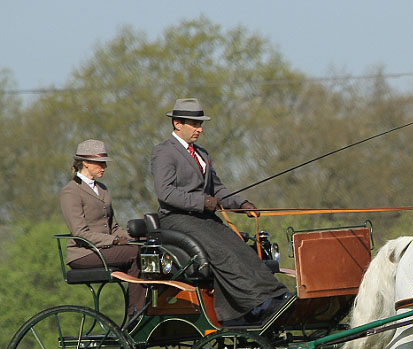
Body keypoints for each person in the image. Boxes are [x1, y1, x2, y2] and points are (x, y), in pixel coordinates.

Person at [150, 98, 291, 326]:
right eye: (194, 124)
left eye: (200, 124)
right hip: (176, 220)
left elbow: (218, 190)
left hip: (203, 218)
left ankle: (271, 297)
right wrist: (202, 201)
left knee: (239, 246)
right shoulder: (164, 152)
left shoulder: (203, 154)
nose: (200, 129)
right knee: (221, 251)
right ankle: (260, 303)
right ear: (177, 123)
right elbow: (165, 193)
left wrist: (241, 204)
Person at [60, 139, 146, 316]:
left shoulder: (103, 189)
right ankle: (136, 313)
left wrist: (134, 238)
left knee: (146, 249)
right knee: (133, 254)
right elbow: (79, 232)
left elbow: (113, 226)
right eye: (100, 163)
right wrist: (114, 241)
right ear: (85, 162)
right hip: (84, 253)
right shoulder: (71, 191)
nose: (104, 167)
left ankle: (151, 306)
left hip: (105, 248)